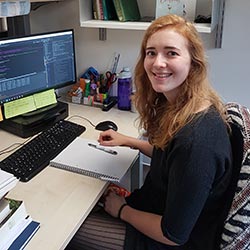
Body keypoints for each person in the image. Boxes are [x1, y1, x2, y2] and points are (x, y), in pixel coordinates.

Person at [66, 14, 233, 250]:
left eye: (171, 53)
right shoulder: (187, 108)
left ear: (193, 63)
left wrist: (122, 210)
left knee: (66, 229)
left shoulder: (197, 142)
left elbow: (173, 234)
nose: (157, 63)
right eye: (151, 52)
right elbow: (171, 158)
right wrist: (129, 142)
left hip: (169, 240)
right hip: (155, 210)